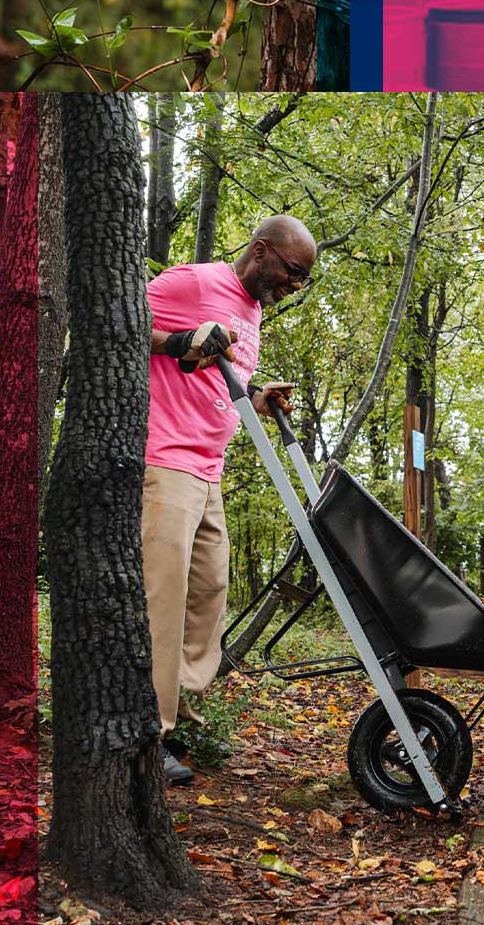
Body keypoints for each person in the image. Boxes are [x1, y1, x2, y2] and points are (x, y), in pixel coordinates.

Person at [144, 215, 314, 785]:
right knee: (161, 606)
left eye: (302, 279)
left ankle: (179, 704)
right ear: (261, 251)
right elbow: (114, 324)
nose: (294, 285)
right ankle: (149, 735)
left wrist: (260, 398)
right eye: (292, 272)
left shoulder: (255, 310)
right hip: (165, 463)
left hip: (208, 472)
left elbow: (217, 383)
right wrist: (175, 342)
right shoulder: (191, 284)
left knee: (210, 595)